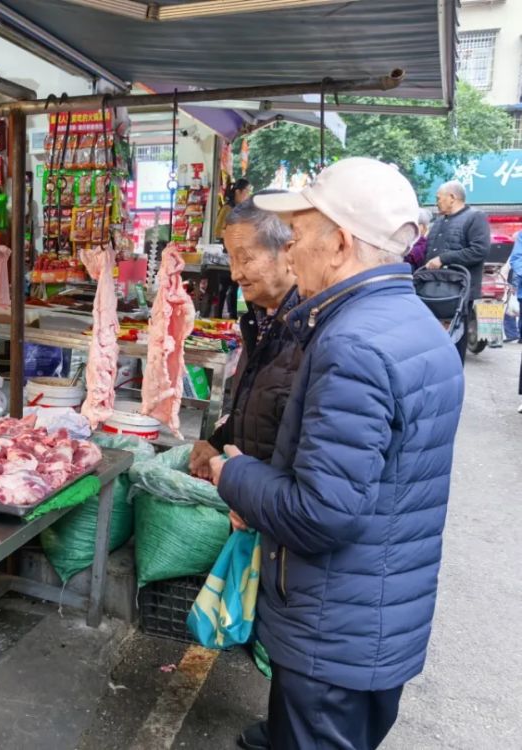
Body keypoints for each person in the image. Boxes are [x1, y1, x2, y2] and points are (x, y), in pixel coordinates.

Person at [209, 158, 464, 750]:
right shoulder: (417, 325)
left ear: (341, 244)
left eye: (296, 239)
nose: (289, 254)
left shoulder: (352, 343)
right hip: (377, 619)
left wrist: (234, 473)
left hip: (334, 633)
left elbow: (323, 512)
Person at [190, 196, 300, 480]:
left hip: (276, 502)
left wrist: (256, 493)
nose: (235, 273)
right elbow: (259, 407)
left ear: (289, 253)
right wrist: (219, 442)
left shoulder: (310, 327)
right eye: (231, 258)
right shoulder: (259, 318)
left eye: (246, 259)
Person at [425, 180, 491, 360]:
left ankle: (453, 375)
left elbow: (479, 250)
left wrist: (444, 258)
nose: (436, 202)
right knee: (432, 337)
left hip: (458, 291)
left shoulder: (475, 217)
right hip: (433, 289)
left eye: (438, 198)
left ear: (452, 198)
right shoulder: (439, 221)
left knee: (455, 338)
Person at [213, 178, 252, 319]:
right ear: (238, 192)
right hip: (226, 254)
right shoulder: (227, 208)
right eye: (246, 191)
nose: (248, 195)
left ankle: (236, 316)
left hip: (236, 253)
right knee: (226, 287)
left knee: (236, 286)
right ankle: (222, 316)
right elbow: (217, 231)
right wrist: (234, 236)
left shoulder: (239, 209)